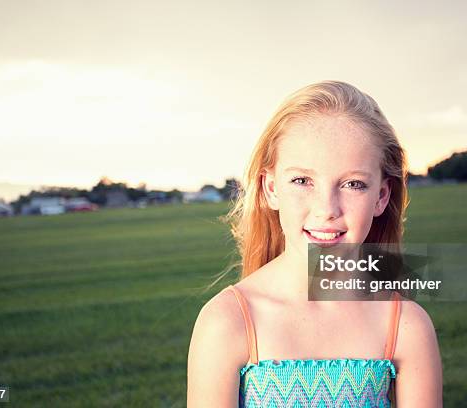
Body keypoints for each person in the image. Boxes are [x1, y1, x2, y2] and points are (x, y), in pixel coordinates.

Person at [187, 81, 443, 407]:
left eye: (353, 184)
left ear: (381, 196)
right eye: (302, 181)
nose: (327, 209)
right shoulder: (227, 322)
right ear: (271, 188)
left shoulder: (405, 325)